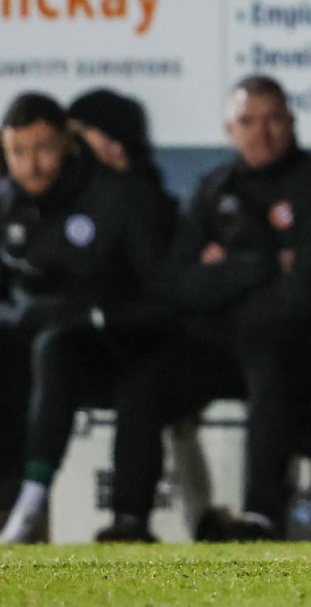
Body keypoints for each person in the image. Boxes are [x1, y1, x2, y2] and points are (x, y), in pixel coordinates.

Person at [100, 76, 311, 542]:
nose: (260, 132)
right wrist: (261, 266)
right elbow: (177, 284)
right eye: (248, 121)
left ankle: (261, 516)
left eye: (272, 120)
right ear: (229, 130)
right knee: (144, 381)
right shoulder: (214, 188)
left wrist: (220, 283)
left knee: (271, 360)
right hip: (219, 341)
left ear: (292, 123)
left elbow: (305, 296)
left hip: (302, 348)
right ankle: (129, 520)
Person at [0, 94, 177, 544]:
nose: (31, 166)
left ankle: (30, 505)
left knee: (55, 349)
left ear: (67, 143)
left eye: (42, 149)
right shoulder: (7, 204)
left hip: (110, 345)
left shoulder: (117, 198)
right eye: (17, 153)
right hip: (29, 347)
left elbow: (163, 292)